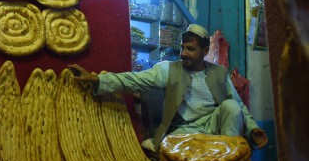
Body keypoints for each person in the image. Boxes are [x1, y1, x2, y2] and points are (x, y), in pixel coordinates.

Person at [69, 24, 267, 154]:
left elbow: (239, 107)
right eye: (183, 48)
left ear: (205, 51)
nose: (184, 53)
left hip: (212, 127)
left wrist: (253, 129)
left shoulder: (219, 73)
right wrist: (96, 79)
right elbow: (134, 80)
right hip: (183, 131)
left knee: (231, 106)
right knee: (172, 150)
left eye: (191, 49)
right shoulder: (168, 69)